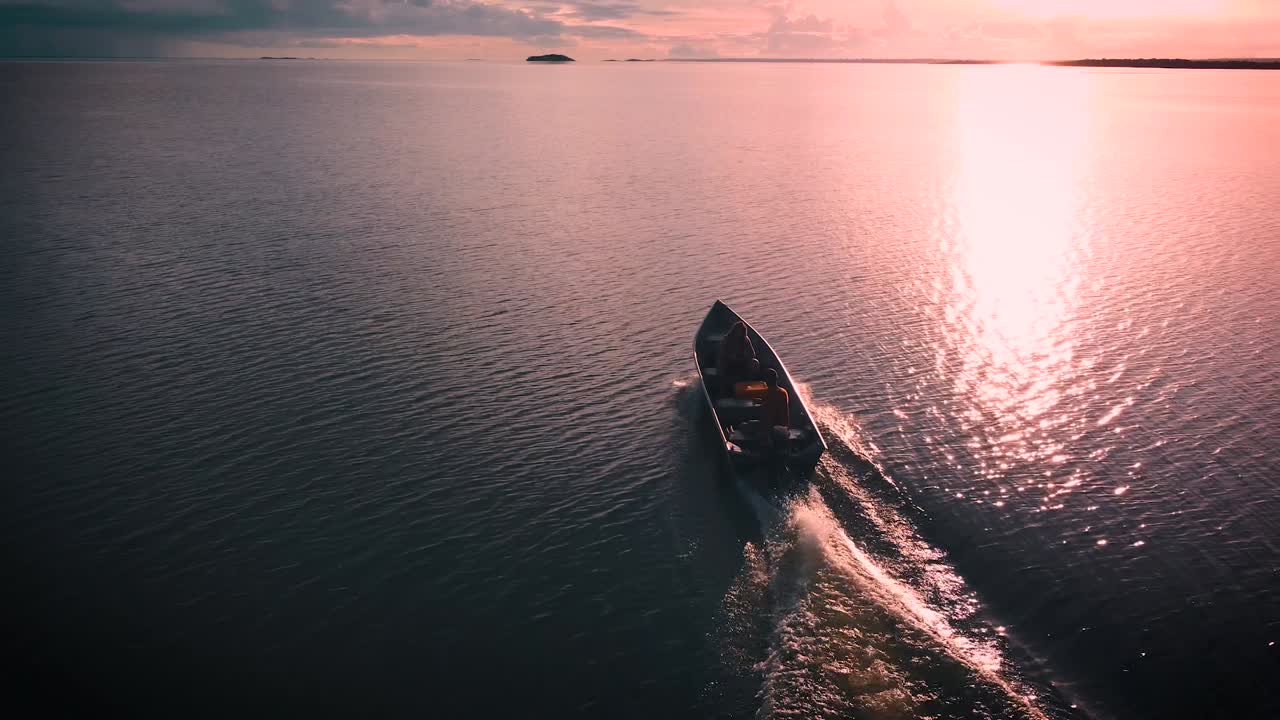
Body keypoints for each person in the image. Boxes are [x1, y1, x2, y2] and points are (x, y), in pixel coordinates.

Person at [716, 321, 756, 395]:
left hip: (742, 362)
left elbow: (752, 354)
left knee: (754, 362)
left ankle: (751, 382)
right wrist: (731, 356)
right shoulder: (727, 340)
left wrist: (745, 356)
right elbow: (722, 355)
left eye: (741, 332)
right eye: (738, 331)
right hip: (729, 363)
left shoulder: (745, 340)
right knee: (721, 363)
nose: (739, 334)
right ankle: (723, 389)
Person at [758, 368, 790, 455]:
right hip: (784, 427)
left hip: (772, 429)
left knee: (745, 426)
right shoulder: (784, 392)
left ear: (766, 381)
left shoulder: (767, 393)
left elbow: (765, 414)